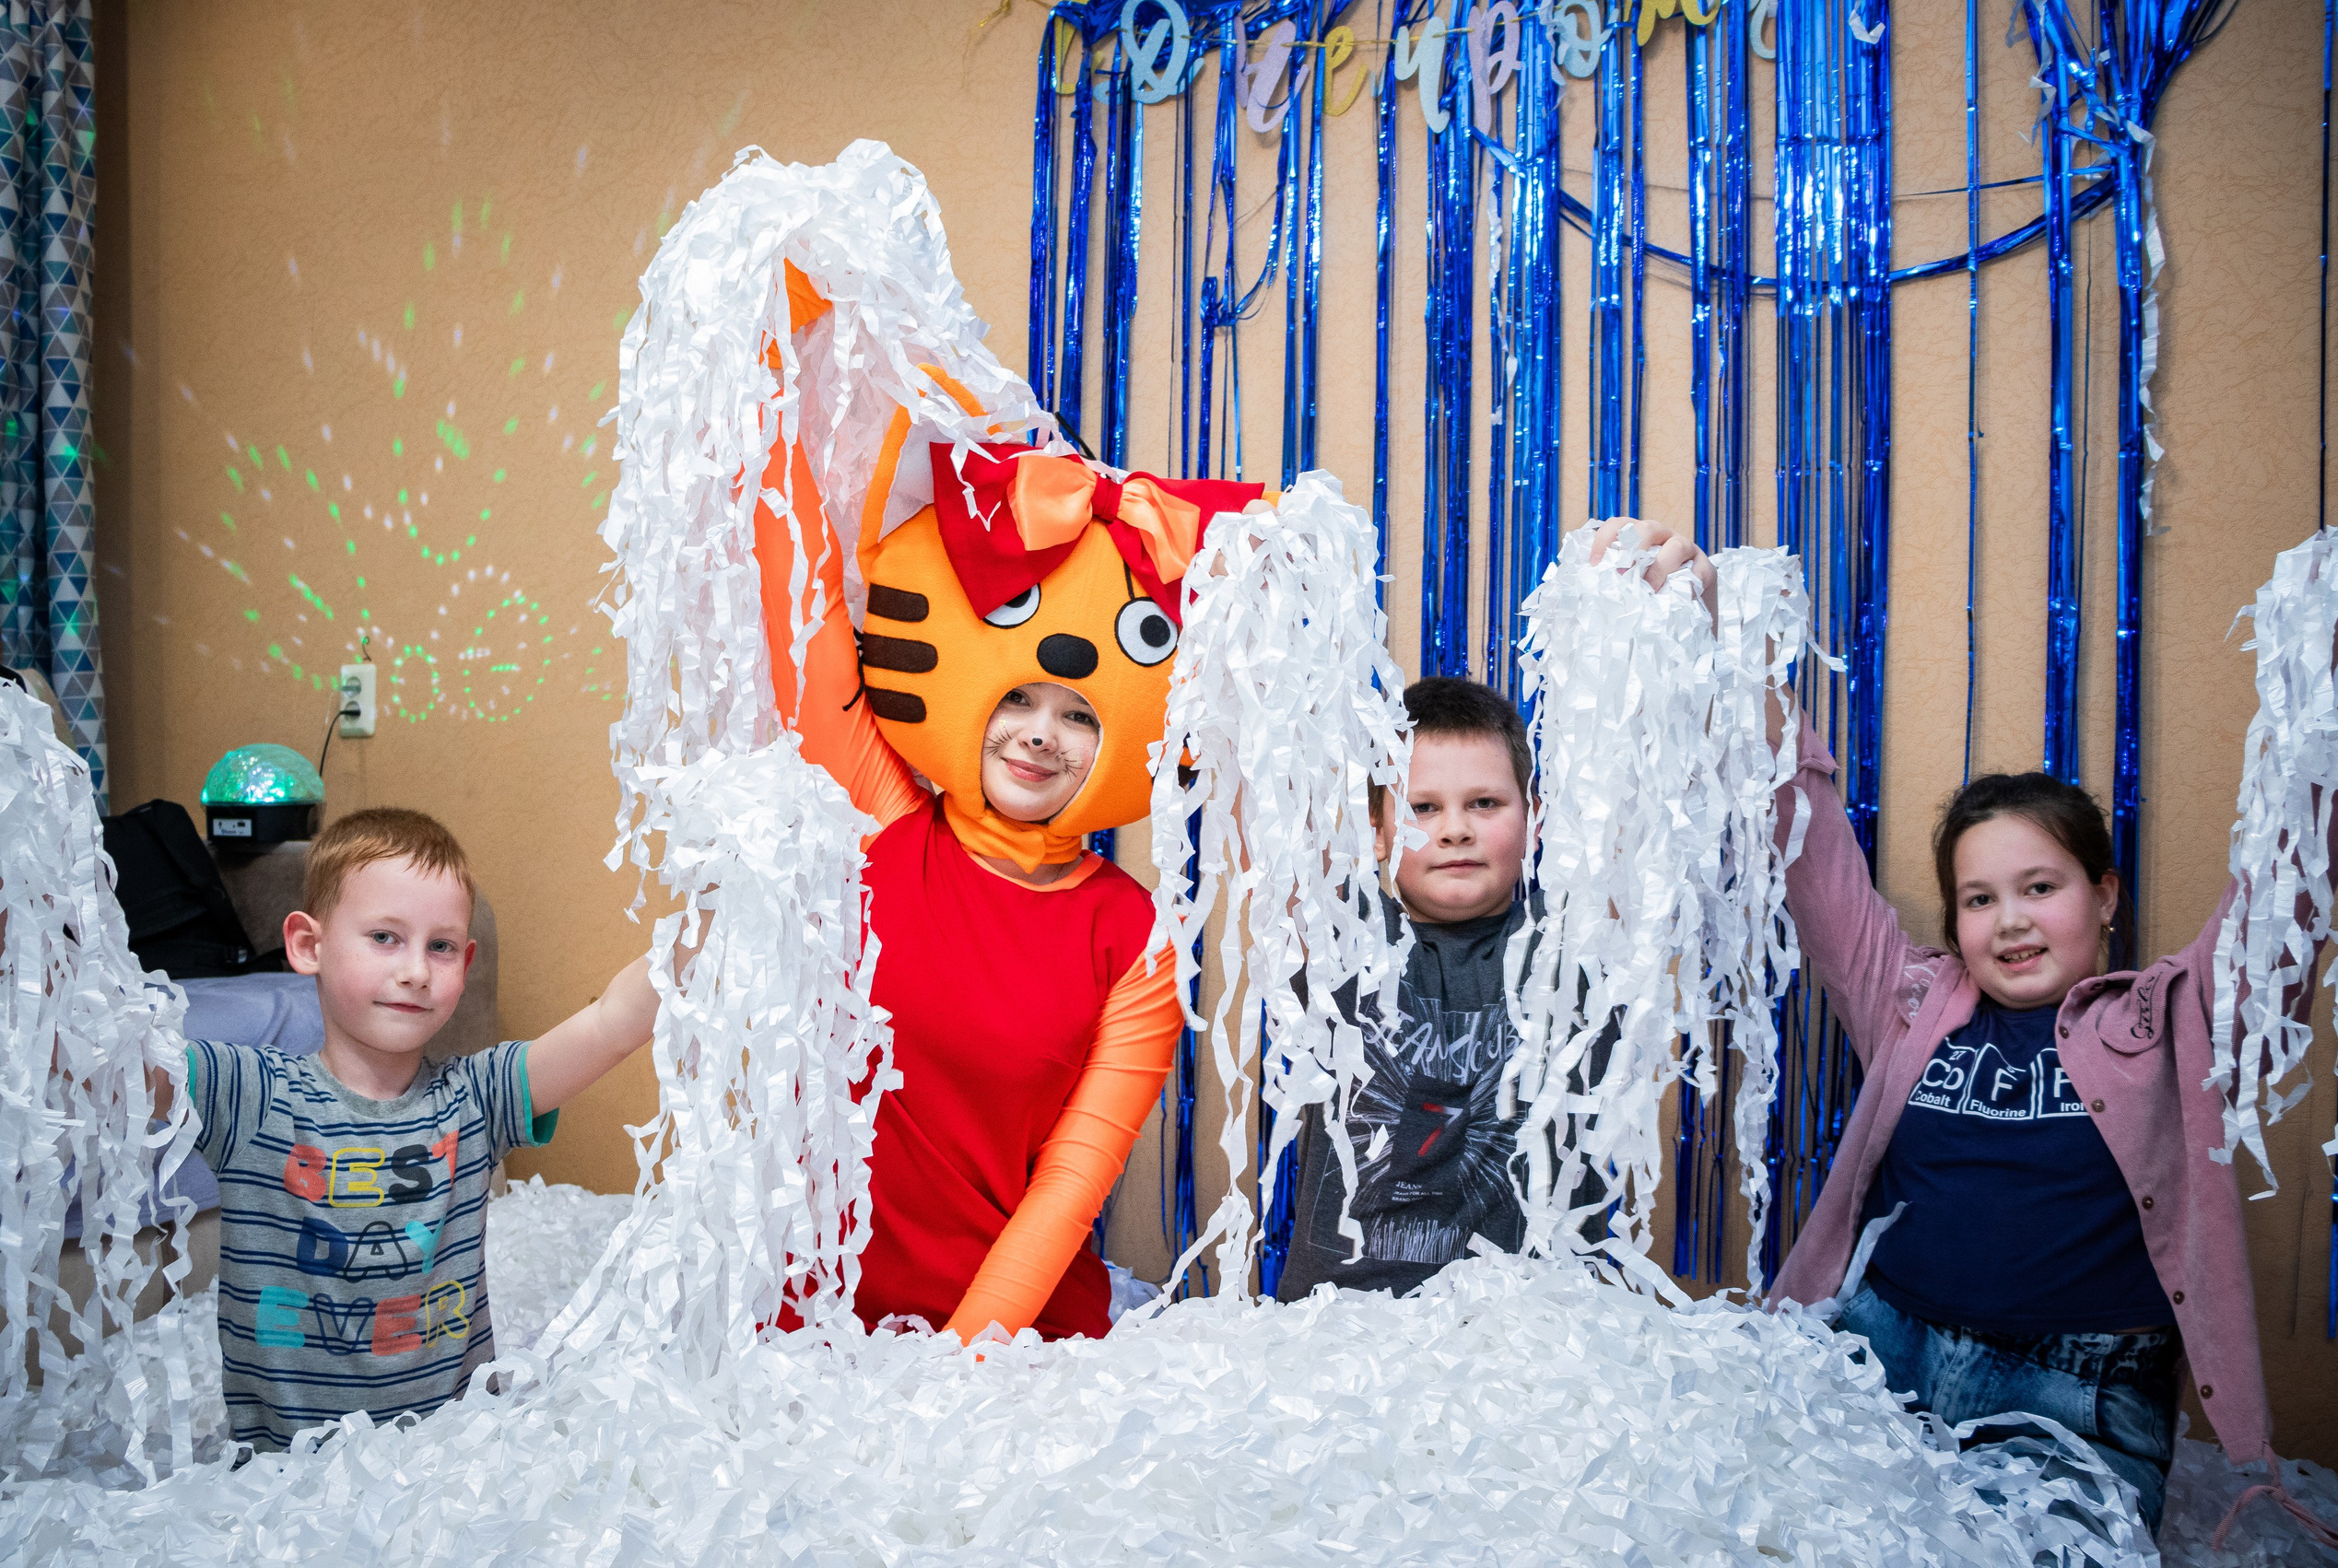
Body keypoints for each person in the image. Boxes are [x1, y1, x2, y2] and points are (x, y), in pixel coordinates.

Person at [1587, 516, 2338, 1541]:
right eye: (1980, 899)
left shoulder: (2170, 1017)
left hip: (2074, 1395)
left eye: (2041, 887)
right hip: (1879, 1353)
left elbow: (2288, 887)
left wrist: (2336, 664)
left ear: (2104, 895)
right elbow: (1804, 830)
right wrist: (1719, 632)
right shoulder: (1911, 1000)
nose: (2012, 920)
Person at [751, 263, 1264, 1342]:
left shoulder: (1138, 940)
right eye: (1019, 697)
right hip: (815, 1334)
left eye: (1079, 715)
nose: (1040, 734)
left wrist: (957, 1381)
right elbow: (794, 593)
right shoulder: (879, 816)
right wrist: (778, 335)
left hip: (1012, 1355)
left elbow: (1071, 1187)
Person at [174, 807, 659, 1451]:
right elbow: (111, 1063)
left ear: (467, 961)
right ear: (309, 946)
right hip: (285, 1480)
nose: (416, 971)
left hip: (448, 1469)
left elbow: (612, 1023)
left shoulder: (478, 1096)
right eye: (384, 937)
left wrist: (722, 890)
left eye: (441, 946)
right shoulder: (247, 1092)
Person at [1273, 676, 1539, 1300]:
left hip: (1532, 1334)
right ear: (1377, 830)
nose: (1455, 829)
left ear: (1534, 818)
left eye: (1485, 803)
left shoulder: (1567, 950)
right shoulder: (1344, 943)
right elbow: (1268, 786)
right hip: (1341, 1328)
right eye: (1423, 808)